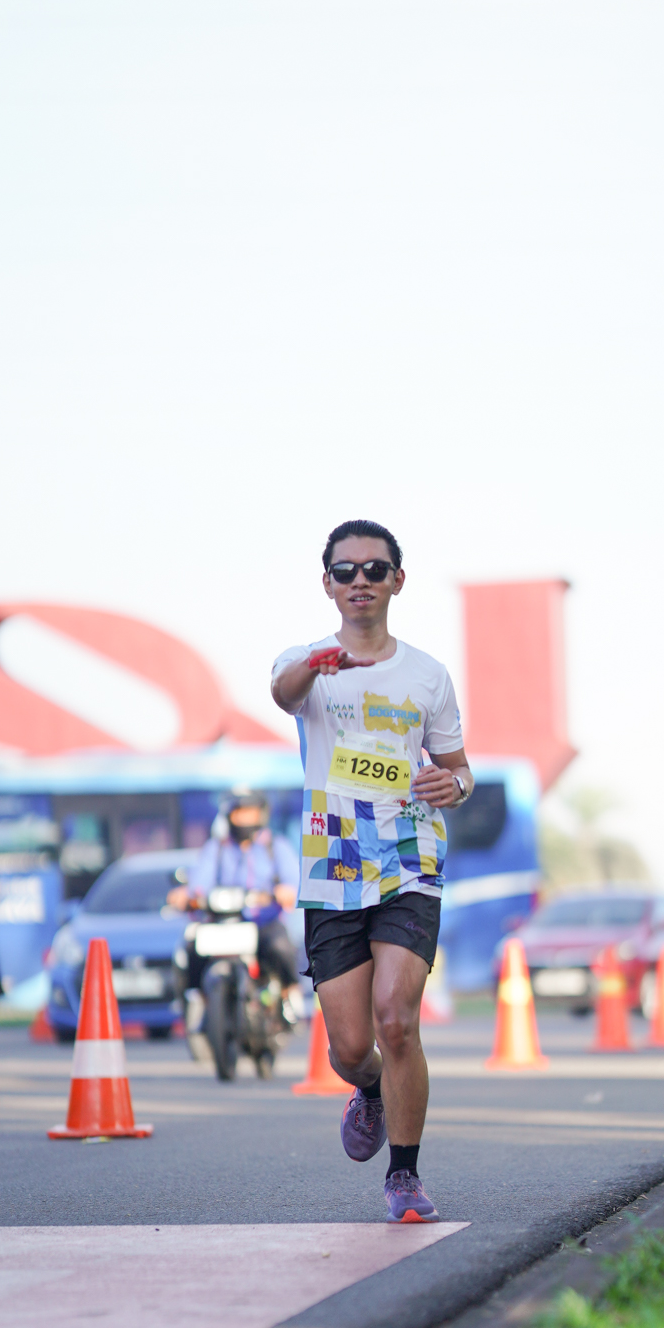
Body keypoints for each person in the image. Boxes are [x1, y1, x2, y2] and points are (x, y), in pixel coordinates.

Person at [271, 518, 474, 1224]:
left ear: (397, 581)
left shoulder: (427, 675)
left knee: (398, 1019)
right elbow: (283, 693)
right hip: (334, 863)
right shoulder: (307, 664)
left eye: (375, 569)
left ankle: (405, 1175)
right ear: (328, 584)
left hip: (409, 856)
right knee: (354, 1048)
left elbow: (458, 770)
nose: (361, 580)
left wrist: (456, 785)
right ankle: (372, 1089)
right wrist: (317, 665)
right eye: (346, 570)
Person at [172, 787, 302, 1013]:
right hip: (223, 922)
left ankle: (289, 995)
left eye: (249, 812)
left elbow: (293, 880)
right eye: (238, 813)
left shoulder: (275, 846)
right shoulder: (216, 848)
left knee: (281, 948)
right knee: (193, 948)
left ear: (261, 814)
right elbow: (199, 883)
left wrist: (285, 891)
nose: (244, 819)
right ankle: (199, 1003)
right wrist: (188, 895)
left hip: (263, 922)